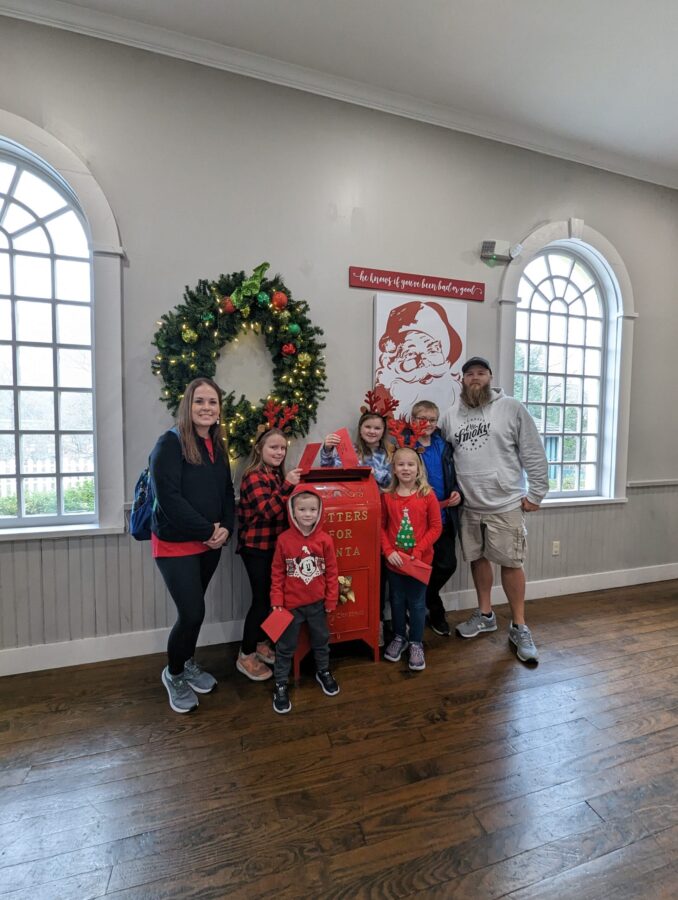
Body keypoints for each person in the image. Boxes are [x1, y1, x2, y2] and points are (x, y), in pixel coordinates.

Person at [439, 357, 548, 663]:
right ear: (462, 380)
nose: (475, 379)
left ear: (490, 377)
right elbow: (438, 450)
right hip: (470, 505)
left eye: (481, 374)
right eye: (469, 374)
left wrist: (536, 492)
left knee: (511, 562)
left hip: (506, 502)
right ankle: (485, 614)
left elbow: (533, 449)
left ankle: (519, 625)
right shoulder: (451, 416)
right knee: (478, 559)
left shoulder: (511, 408)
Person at [150, 377, 235, 714]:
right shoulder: (169, 444)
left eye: (212, 402)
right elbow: (167, 498)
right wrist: (206, 529)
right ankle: (173, 673)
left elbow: (227, 491)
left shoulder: (217, 444)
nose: (206, 408)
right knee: (192, 612)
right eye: (199, 401)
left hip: (211, 542)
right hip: (176, 543)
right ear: (188, 405)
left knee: (194, 613)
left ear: (219, 409)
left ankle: (186, 663)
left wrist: (226, 527)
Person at [321, 408, 394, 645]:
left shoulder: (388, 453)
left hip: (380, 516)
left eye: (377, 428)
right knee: (353, 567)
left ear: (383, 431)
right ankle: (346, 621)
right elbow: (330, 470)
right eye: (368, 427)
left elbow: (389, 479)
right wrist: (328, 449)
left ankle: (377, 622)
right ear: (360, 429)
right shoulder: (349, 450)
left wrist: (372, 473)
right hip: (355, 518)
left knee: (377, 572)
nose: (372, 432)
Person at [236, 427, 302, 681]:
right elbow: (267, 511)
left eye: (283, 448)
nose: (279, 452)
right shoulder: (253, 476)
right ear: (260, 449)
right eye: (273, 447)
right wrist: (288, 486)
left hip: (277, 549)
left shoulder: (277, 475)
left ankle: (263, 642)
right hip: (257, 549)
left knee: (277, 600)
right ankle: (246, 654)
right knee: (261, 601)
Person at [270, 486, 340, 714]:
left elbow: (332, 571)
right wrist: (277, 600)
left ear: (319, 511)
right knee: (285, 646)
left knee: (321, 641)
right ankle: (280, 683)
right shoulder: (284, 540)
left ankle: (323, 671)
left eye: (312, 509)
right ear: (293, 510)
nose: (308, 514)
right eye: (302, 509)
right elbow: (277, 572)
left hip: (318, 605)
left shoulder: (325, 540)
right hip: (290, 607)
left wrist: (331, 599)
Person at [381, 447, 442, 671]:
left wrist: (418, 551)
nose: (406, 468)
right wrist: (388, 551)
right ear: (394, 469)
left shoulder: (427, 495)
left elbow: (436, 527)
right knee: (396, 600)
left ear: (418, 469)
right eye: (401, 464)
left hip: (419, 563)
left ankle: (416, 642)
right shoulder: (387, 497)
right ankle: (399, 636)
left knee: (417, 603)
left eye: (410, 464)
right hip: (395, 562)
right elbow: (381, 528)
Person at [409, 400, 462, 637]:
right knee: (418, 565)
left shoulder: (444, 444)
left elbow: (457, 473)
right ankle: (431, 612)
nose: (428, 424)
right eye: (422, 419)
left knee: (447, 564)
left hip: (444, 516)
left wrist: (457, 492)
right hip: (418, 519)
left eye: (432, 419)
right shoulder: (406, 445)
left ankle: (428, 599)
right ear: (413, 420)